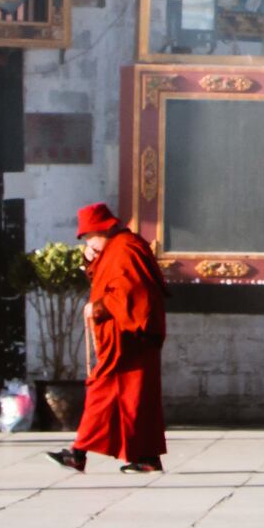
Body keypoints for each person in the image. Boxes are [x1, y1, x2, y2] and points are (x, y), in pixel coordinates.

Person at [68, 200, 168, 475]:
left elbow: (133, 291)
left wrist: (98, 307)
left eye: (91, 236)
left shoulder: (125, 248)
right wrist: (91, 260)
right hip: (127, 337)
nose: (89, 242)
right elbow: (107, 280)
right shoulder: (115, 248)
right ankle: (147, 458)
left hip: (131, 336)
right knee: (136, 399)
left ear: (105, 229)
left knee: (103, 391)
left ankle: (77, 452)